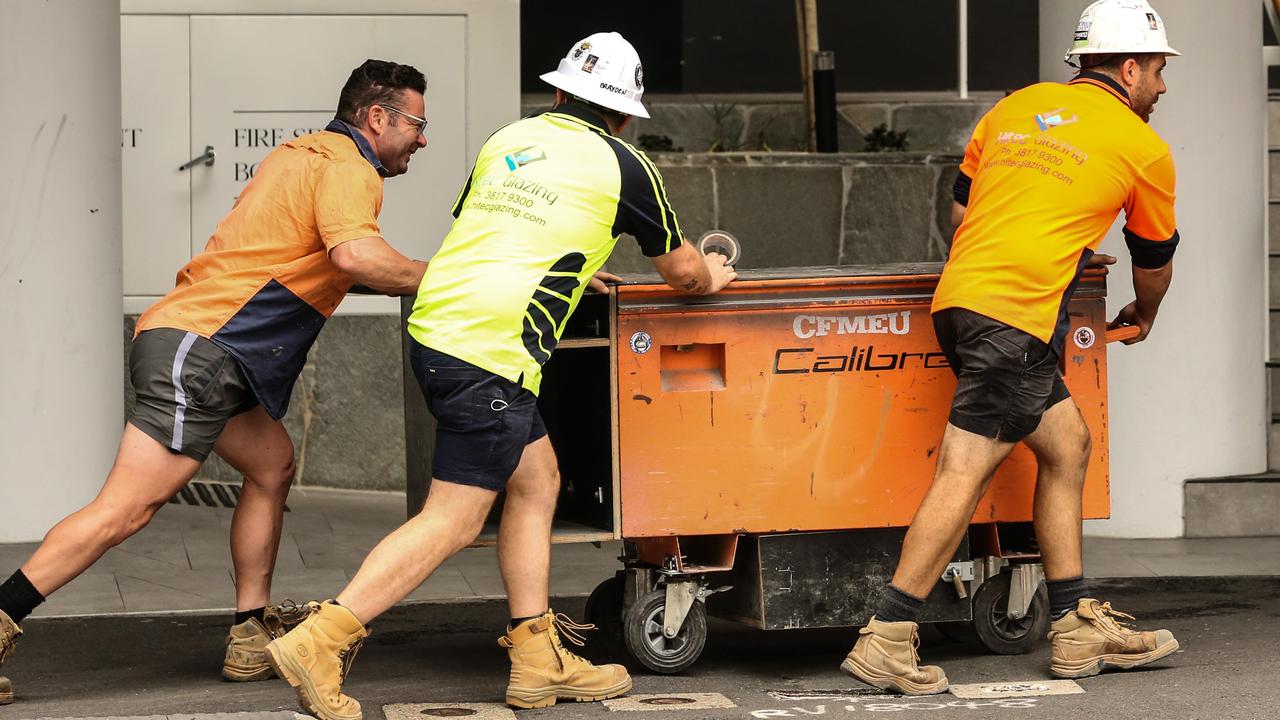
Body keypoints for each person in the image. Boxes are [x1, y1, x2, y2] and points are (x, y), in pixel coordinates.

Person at [264, 32, 737, 720]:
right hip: (491, 347)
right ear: (626, 113)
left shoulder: (507, 138)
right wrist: (713, 276)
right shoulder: (626, 165)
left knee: (537, 477)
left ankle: (535, 659)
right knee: (453, 518)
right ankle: (321, 640)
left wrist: (572, 262)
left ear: (557, 93)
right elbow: (686, 274)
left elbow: (492, 234)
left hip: (437, 326)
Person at [0, 59, 430, 704]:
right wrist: (465, 276)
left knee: (272, 464)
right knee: (127, 509)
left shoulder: (299, 155)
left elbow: (330, 261)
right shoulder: (348, 165)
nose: (422, 139)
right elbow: (355, 256)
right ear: (377, 117)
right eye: (417, 124)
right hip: (206, 348)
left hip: (207, 348)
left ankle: (249, 632)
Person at [840, 0, 1183, 695]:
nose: (1163, 86)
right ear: (1127, 67)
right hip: (1016, 318)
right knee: (964, 470)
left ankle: (1074, 624)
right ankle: (887, 635)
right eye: (1157, 70)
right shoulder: (1142, 148)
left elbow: (964, 210)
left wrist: (1048, 228)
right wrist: (1144, 314)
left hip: (960, 303)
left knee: (1067, 445)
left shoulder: (1015, 108)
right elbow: (1153, 258)